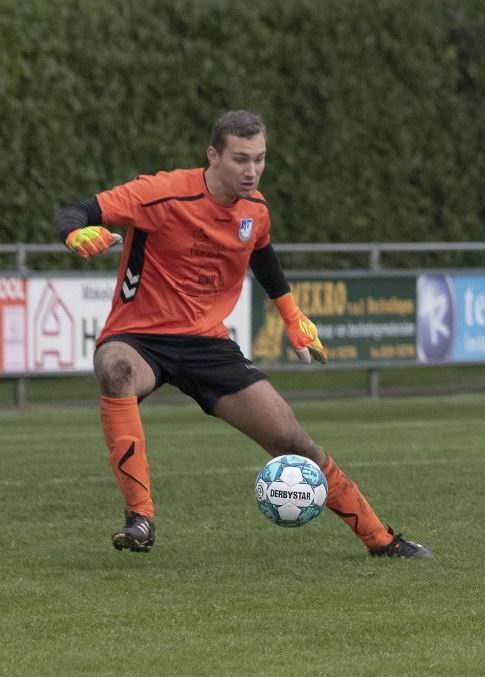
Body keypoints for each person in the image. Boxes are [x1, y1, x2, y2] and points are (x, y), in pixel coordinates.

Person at [53, 110, 432, 560]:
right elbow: (76, 210)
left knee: (293, 441)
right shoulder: (161, 193)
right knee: (113, 368)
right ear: (213, 156)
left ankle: (381, 540)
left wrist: (292, 316)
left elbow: (263, 257)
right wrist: (76, 232)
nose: (251, 170)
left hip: (208, 344)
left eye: (260, 159)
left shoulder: (256, 210)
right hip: (139, 337)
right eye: (240, 159)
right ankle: (140, 517)